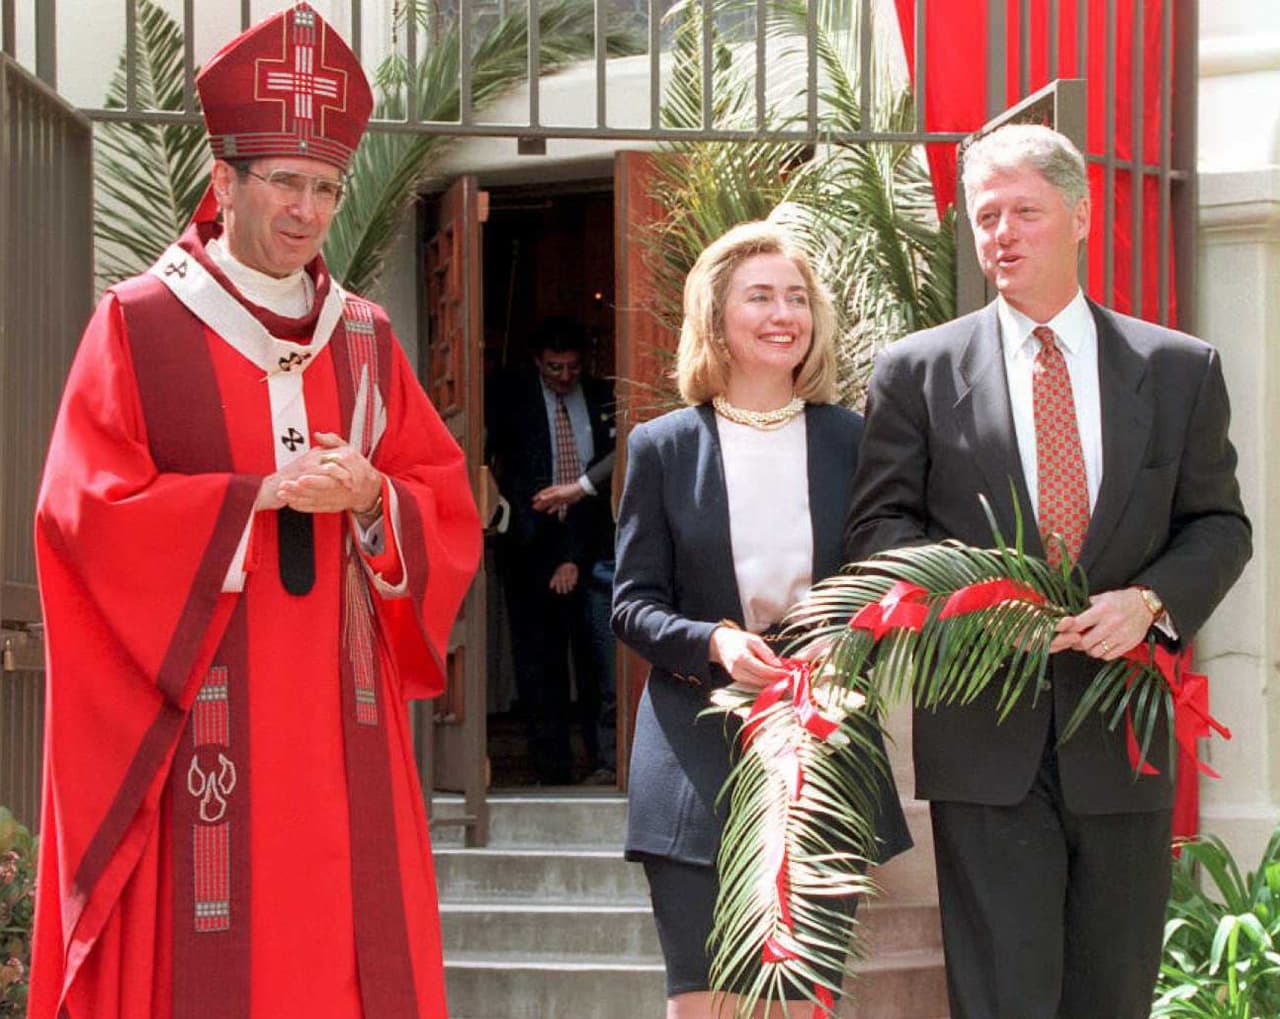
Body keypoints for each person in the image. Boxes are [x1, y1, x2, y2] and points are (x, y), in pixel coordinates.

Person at [26, 6, 481, 1018]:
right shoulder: (141, 324)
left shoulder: (362, 338)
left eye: (326, 187)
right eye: (284, 181)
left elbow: (443, 505)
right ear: (223, 181)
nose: (308, 211)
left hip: (344, 721)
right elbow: (83, 513)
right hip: (204, 715)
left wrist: (374, 496)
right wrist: (249, 500)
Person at [846, 123, 1251, 1019]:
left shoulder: (1178, 370)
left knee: (1113, 995)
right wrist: (970, 605)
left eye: (1024, 211)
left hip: (1123, 732)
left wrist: (1150, 600)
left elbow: (1220, 526)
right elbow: (877, 528)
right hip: (984, 741)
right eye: (986, 215)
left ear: (1081, 216)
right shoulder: (916, 372)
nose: (1002, 233)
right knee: (1003, 1000)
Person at [613, 221, 912, 1018]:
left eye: (797, 298)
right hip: (694, 742)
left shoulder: (854, 440)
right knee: (705, 998)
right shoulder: (663, 446)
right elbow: (632, 604)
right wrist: (712, 640)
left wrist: (849, 642)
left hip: (820, 735)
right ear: (715, 318)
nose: (784, 314)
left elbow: (888, 579)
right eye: (760, 297)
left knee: (801, 999)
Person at [487, 319, 617, 784]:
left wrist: (573, 558)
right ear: (537, 362)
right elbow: (496, 467)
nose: (564, 377)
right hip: (528, 548)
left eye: (572, 368)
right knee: (539, 665)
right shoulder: (511, 397)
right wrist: (550, 556)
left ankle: (605, 764)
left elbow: (613, 466)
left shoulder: (601, 397)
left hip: (592, 546)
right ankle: (552, 769)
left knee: (597, 661)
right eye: (554, 368)